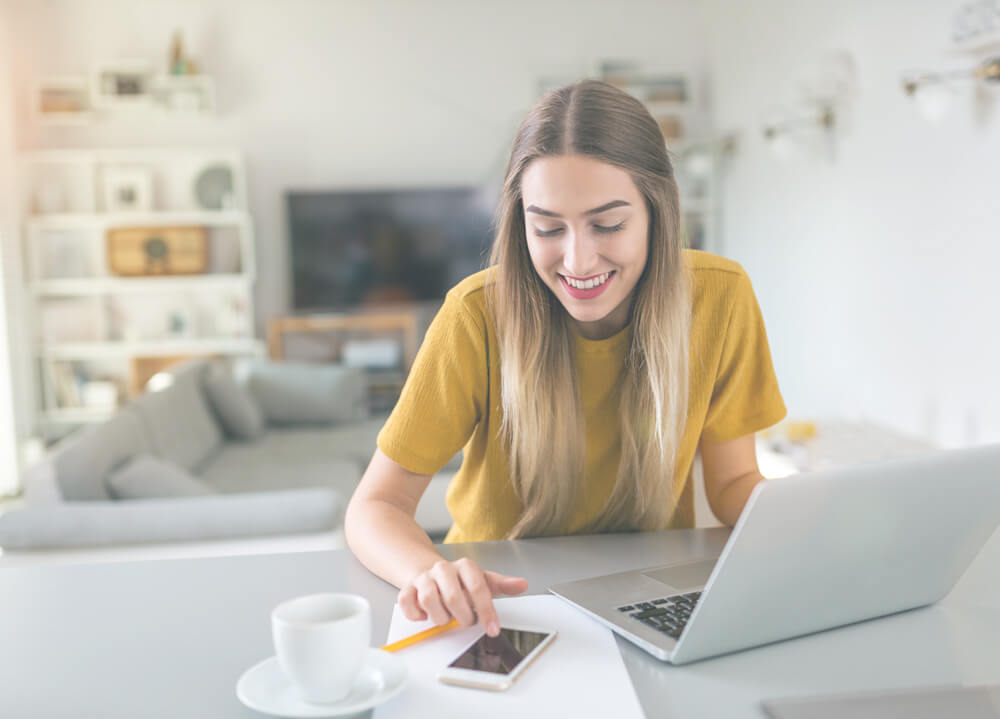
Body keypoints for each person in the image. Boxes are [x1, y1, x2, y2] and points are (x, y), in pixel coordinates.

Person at [345, 79, 786, 640]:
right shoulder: (475, 316)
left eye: (608, 224)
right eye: (548, 227)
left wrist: (799, 524)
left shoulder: (722, 297)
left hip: (644, 595)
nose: (577, 260)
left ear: (657, 211)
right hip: (495, 607)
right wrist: (430, 572)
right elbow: (374, 506)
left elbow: (733, 482)